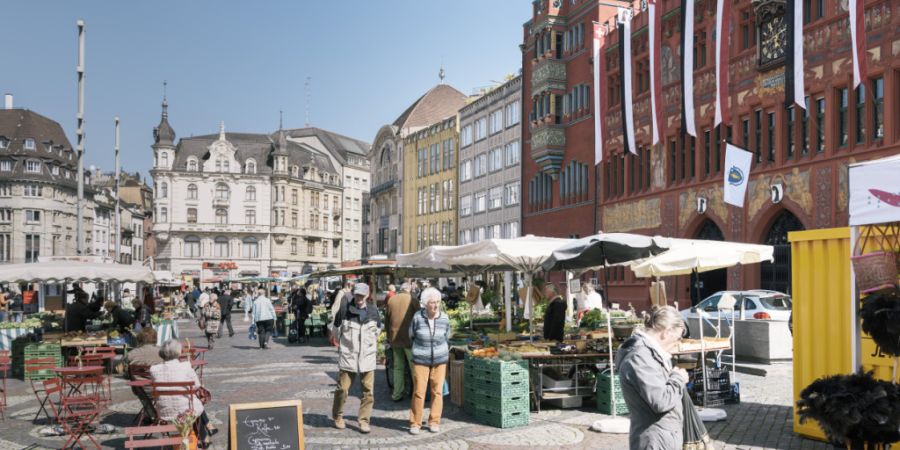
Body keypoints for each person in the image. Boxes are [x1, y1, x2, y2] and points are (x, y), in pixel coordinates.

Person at [616, 306, 689, 450]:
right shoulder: (641, 357)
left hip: (661, 436)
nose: (678, 342)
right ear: (666, 332)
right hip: (655, 440)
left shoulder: (649, 353)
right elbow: (660, 401)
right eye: (678, 337)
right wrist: (677, 378)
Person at [331, 283, 380, 433]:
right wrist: (345, 348)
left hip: (368, 357)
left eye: (362, 295)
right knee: (342, 389)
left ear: (367, 295)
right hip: (349, 357)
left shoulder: (373, 311)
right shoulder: (344, 310)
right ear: (353, 294)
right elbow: (335, 332)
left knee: (368, 392)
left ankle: (364, 421)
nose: (359, 298)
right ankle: (337, 416)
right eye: (357, 295)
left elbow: (377, 331)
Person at [150, 339, 214, 447]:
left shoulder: (154, 369)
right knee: (195, 405)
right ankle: (205, 435)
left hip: (164, 410)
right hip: (186, 411)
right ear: (178, 352)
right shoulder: (185, 366)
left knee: (192, 404)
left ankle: (206, 435)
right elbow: (196, 385)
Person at [407, 287, 451, 434]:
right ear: (425, 303)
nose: (435, 305)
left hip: (440, 359)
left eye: (438, 302)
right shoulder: (417, 317)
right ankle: (415, 423)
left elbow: (447, 336)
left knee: (437, 391)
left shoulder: (444, 318)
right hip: (421, 358)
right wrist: (421, 349)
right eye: (432, 302)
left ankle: (434, 421)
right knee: (419, 391)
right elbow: (411, 334)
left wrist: (441, 350)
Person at [384, 282, 419, 401]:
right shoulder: (412, 300)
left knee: (398, 367)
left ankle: (397, 394)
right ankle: (417, 393)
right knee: (414, 366)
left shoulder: (391, 300)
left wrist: (389, 337)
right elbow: (419, 318)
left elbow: (386, 321)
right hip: (409, 339)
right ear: (409, 290)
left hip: (394, 338)